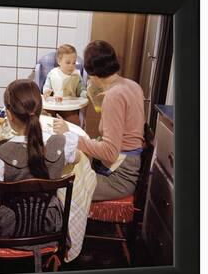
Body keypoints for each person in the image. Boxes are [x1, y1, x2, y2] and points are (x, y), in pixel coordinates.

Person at [0, 80, 79, 249]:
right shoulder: (61, 144)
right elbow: (77, 158)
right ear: (40, 110)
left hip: (10, 229)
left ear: (9, 115)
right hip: (50, 224)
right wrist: (65, 133)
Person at [53, 40, 145, 201]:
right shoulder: (132, 85)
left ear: (91, 73)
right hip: (131, 165)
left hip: (118, 178)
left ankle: (62, 225)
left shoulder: (114, 96)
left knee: (59, 186)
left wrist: (72, 136)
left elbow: (110, 152)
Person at [42, 44, 86, 125]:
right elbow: (47, 86)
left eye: (74, 63)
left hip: (69, 107)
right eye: (68, 62)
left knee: (75, 122)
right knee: (45, 118)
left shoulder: (77, 75)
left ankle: (71, 136)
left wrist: (85, 94)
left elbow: (81, 90)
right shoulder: (53, 73)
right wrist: (46, 92)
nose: (71, 66)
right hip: (54, 105)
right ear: (59, 61)